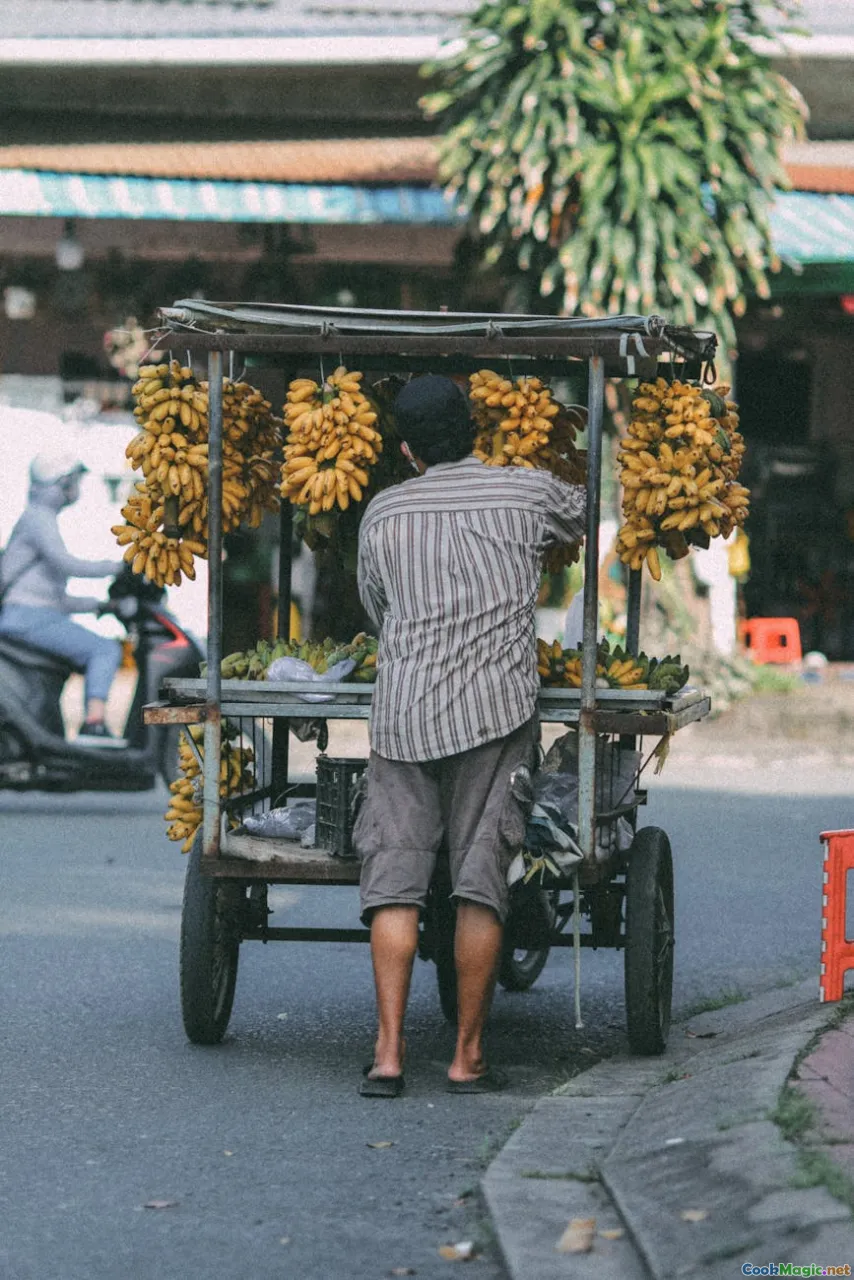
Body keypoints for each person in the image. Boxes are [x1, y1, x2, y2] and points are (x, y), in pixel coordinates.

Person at [354, 374, 586, 1097]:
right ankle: (466, 1058)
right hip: (494, 714)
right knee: (481, 882)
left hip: (403, 716)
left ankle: (388, 1056)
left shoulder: (384, 511)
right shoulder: (527, 492)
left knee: (394, 881)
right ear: (475, 431)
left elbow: (377, 607)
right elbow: (582, 515)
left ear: (406, 450)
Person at [0, 452, 125, 745]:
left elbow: (55, 600)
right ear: (62, 481)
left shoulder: (38, 518)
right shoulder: (38, 518)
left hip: (28, 616)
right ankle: (94, 725)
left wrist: (101, 606)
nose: (77, 487)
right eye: (75, 480)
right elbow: (66, 564)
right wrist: (121, 567)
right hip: (26, 618)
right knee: (104, 650)